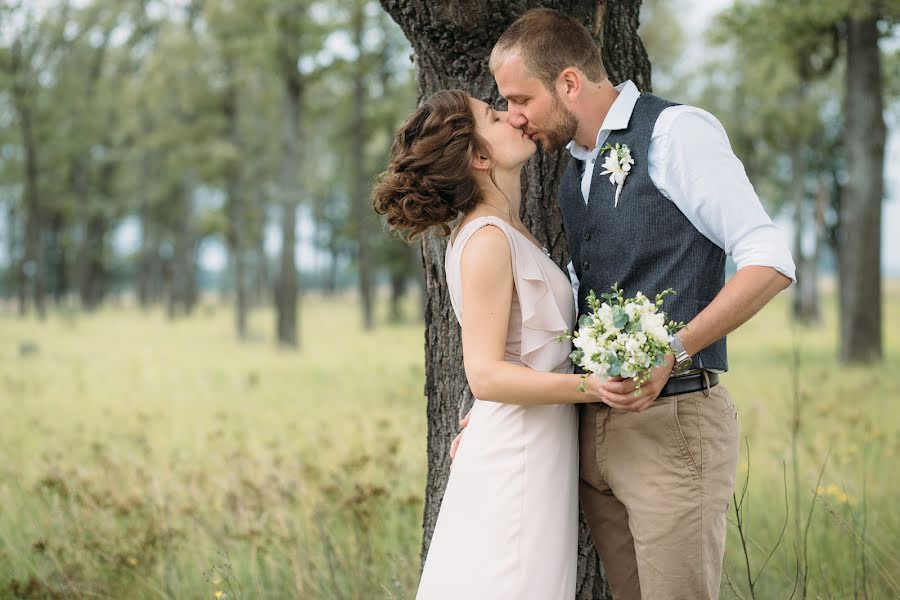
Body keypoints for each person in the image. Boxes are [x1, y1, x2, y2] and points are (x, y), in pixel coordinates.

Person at [452, 8, 796, 600]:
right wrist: (492, 410)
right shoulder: (570, 170)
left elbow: (770, 259)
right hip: (590, 435)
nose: (513, 116)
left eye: (520, 98)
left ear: (568, 82)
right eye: (503, 104)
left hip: (673, 426)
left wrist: (673, 348)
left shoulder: (676, 132)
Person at [372, 89, 604, 599]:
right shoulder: (487, 240)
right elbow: (485, 374)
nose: (515, 117)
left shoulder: (508, 230)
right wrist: (598, 387)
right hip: (517, 455)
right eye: (497, 117)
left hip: (538, 443)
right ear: (479, 157)